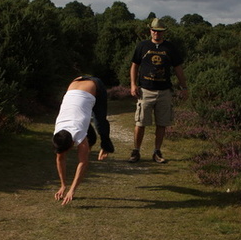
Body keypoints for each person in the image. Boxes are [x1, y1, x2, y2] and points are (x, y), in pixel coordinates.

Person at [128, 18, 188, 163]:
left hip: (164, 92)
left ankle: (157, 152)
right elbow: (134, 65)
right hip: (145, 91)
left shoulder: (170, 48)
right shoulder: (142, 46)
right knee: (140, 123)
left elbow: (178, 68)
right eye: (154, 30)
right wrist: (133, 85)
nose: (157, 33)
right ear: (150, 31)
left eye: (159, 31)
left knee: (162, 124)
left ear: (163, 32)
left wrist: (184, 87)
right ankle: (136, 151)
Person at [53, 76, 114, 205]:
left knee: (99, 122)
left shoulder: (78, 133)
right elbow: (60, 158)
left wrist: (72, 190)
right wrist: (63, 185)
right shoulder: (58, 133)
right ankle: (92, 140)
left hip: (95, 85)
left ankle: (106, 146)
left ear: (72, 143)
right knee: (88, 129)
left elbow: (83, 162)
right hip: (75, 81)